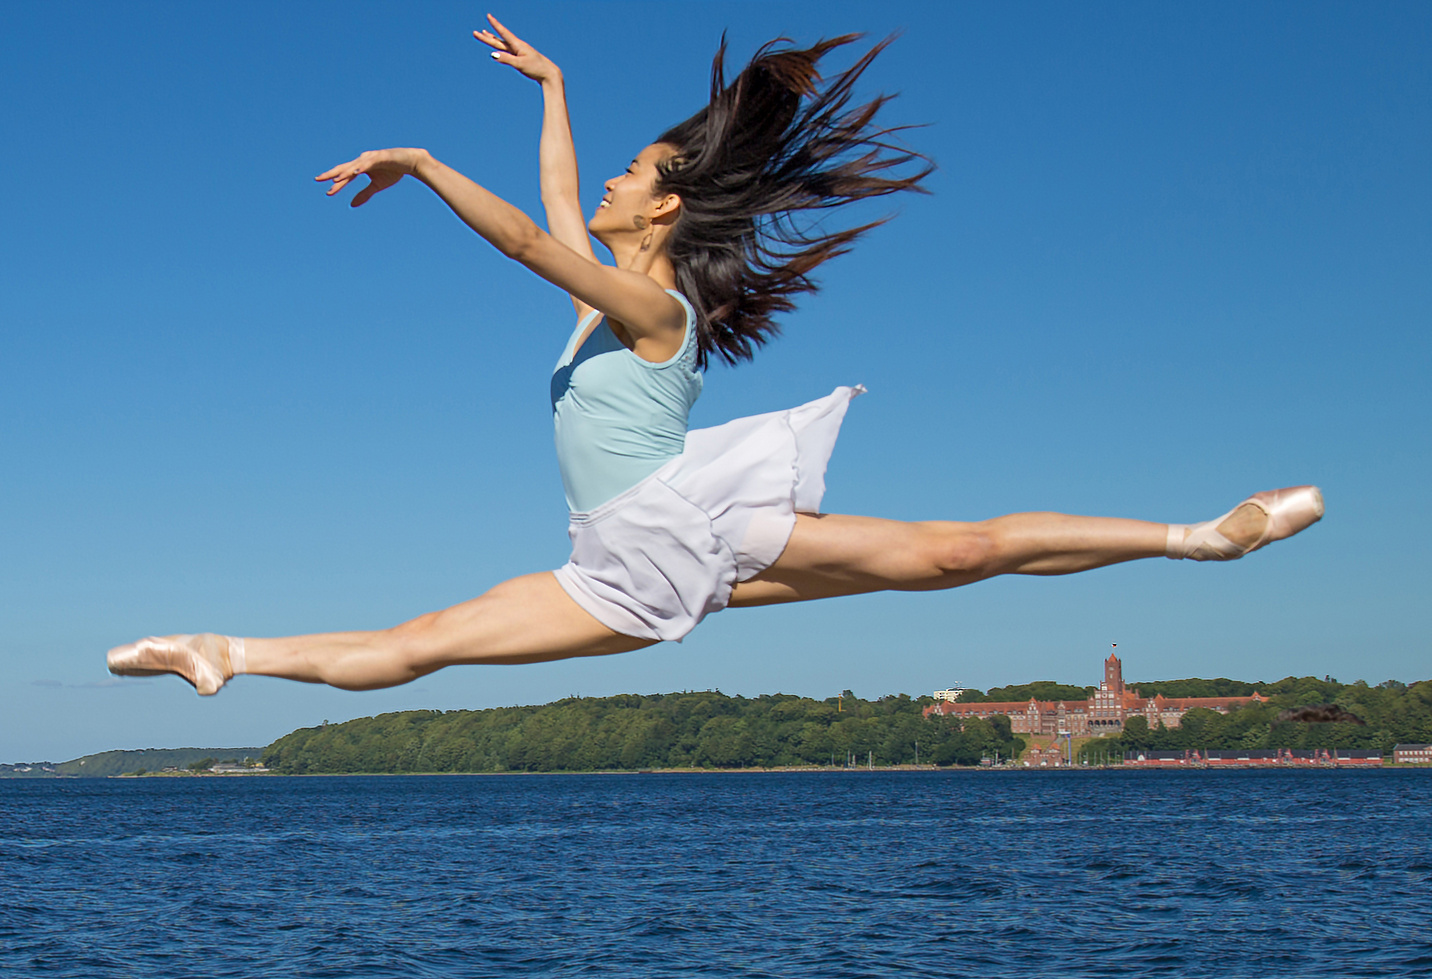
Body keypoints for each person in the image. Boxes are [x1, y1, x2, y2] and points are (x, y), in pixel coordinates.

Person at [107, 16, 1322, 696]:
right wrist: (555, 89)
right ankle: (226, 650)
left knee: (955, 553)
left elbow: (534, 235)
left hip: (687, 518)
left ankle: (1203, 538)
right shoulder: (614, 299)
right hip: (616, 567)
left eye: (638, 178)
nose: (617, 187)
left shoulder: (658, 316)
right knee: (423, 639)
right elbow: (561, 197)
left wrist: (422, 164)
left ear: (666, 214)